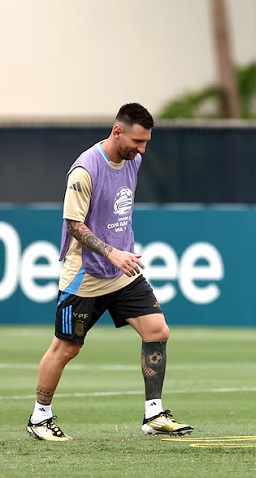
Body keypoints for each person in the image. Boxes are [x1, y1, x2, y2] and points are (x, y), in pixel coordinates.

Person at [26, 103, 194, 441]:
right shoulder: (84, 170)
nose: (142, 149)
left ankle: (154, 415)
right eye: (137, 141)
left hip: (122, 271)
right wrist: (111, 252)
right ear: (117, 131)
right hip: (85, 273)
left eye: (146, 142)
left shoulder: (134, 160)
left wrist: (121, 253)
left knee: (157, 329)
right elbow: (74, 225)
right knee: (65, 348)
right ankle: (39, 418)